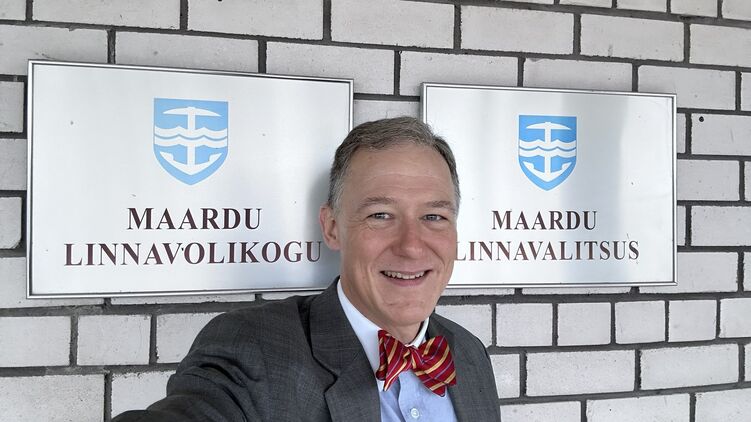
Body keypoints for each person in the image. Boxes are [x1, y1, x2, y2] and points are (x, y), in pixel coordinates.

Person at [113, 117, 500, 421]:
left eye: (434, 216)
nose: (412, 246)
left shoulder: (469, 354)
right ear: (332, 228)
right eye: (380, 215)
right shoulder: (253, 350)